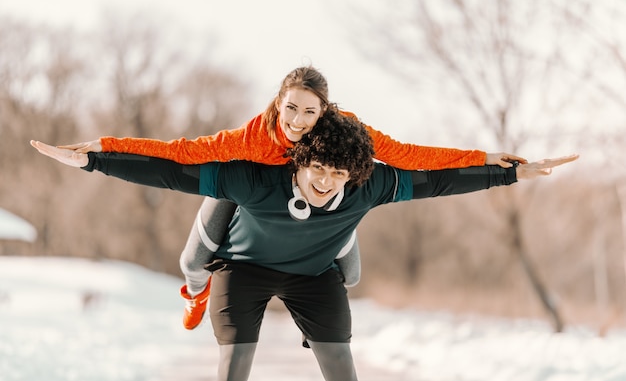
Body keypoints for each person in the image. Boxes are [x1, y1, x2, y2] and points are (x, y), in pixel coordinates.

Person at [30, 108, 577, 381]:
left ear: (354, 173)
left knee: (341, 354)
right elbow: (173, 172)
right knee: (232, 351)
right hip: (242, 266)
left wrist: (509, 173)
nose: (325, 181)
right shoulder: (256, 176)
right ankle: (196, 291)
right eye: (317, 167)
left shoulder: (370, 184)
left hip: (315, 273)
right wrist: (95, 159)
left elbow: (436, 179)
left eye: (339, 173)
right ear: (300, 160)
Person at [55, 66, 526, 330]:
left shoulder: (341, 134)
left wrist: (489, 158)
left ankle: (316, 325)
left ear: (326, 112)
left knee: (353, 275)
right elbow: (180, 154)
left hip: (318, 208)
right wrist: (104, 148)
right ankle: (195, 294)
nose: (299, 121)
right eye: (292, 109)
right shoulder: (249, 141)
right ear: (278, 103)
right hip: (248, 195)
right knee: (194, 256)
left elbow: (409, 155)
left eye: (310, 111)